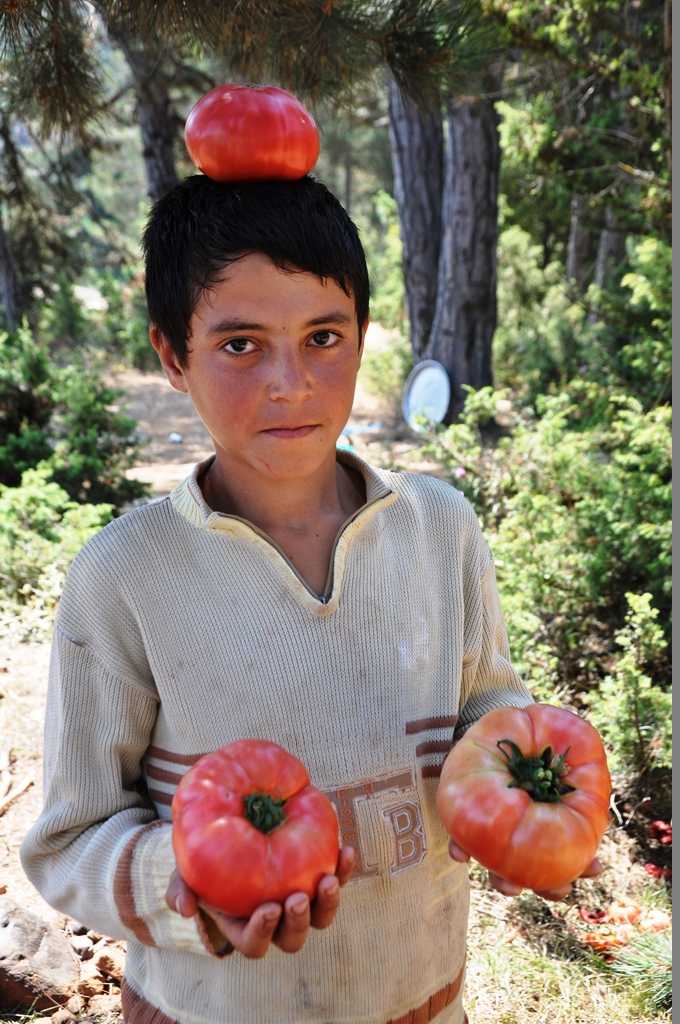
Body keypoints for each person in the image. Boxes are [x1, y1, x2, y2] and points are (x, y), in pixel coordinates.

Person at [21, 173, 598, 1024]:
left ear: (363, 340)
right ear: (172, 356)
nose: (290, 382)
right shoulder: (125, 573)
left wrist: (523, 799)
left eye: (322, 335)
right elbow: (71, 840)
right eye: (241, 345)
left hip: (422, 998)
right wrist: (189, 888)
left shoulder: (440, 527)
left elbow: (486, 700)